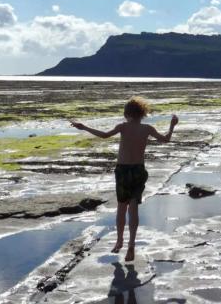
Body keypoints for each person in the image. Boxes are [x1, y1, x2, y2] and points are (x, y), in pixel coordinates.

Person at [71, 96, 178, 262]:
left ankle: (119, 240)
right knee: (133, 208)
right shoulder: (147, 128)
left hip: (123, 171)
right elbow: (166, 139)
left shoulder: (123, 127)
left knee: (122, 208)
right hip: (138, 171)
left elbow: (105, 135)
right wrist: (172, 126)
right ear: (142, 113)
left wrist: (84, 127)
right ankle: (131, 245)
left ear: (127, 113)